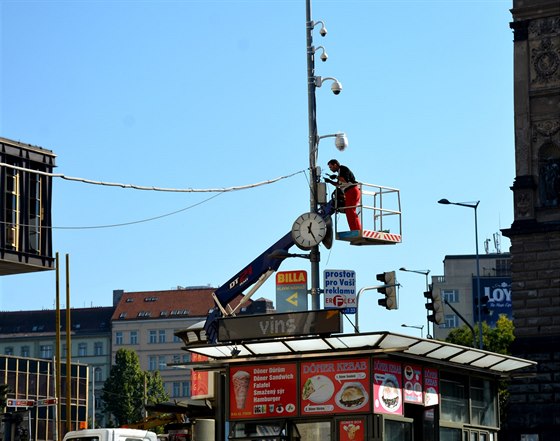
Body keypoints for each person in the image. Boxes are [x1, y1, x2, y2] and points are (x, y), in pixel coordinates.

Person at [326, 159, 362, 231]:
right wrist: (329, 181)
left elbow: (345, 180)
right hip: (349, 191)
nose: (330, 169)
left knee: (351, 210)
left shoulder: (343, 169)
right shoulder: (339, 173)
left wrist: (335, 177)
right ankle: (354, 229)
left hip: (352, 190)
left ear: (335, 164)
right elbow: (338, 185)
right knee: (349, 211)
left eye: (331, 167)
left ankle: (357, 229)